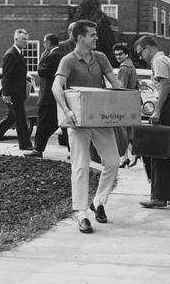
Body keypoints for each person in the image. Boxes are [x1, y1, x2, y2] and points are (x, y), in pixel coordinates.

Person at [52, 20, 123, 234]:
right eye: (92, 34)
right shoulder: (68, 60)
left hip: (100, 119)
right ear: (80, 37)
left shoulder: (100, 57)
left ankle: (99, 201)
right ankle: (81, 213)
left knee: (112, 161)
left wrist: (129, 97)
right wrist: (67, 111)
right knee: (81, 166)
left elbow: (115, 84)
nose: (96, 37)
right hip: (78, 122)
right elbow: (57, 87)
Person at [134, 36, 170, 209]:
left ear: (148, 48)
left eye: (141, 53)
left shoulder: (158, 61)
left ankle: (158, 196)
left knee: (158, 151)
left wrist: (157, 110)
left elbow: (164, 87)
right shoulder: (168, 60)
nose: (141, 57)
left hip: (169, 106)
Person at [0, 29, 33, 151]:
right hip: (12, 94)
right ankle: (25, 144)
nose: (25, 42)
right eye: (23, 39)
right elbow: (6, 76)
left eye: (26, 39)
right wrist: (6, 93)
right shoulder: (11, 54)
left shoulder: (19, 53)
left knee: (12, 117)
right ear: (16, 39)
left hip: (17, 93)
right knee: (20, 119)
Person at [24, 33, 63, 158]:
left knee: (42, 123)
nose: (43, 44)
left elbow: (41, 71)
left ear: (49, 43)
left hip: (47, 95)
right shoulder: (63, 55)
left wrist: (42, 58)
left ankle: (38, 149)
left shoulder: (49, 56)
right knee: (57, 122)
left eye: (45, 42)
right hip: (59, 95)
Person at [112, 43, 138, 168]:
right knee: (127, 131)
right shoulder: (131, 66)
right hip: (131, 101)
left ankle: (134, 153)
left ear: (126, 54)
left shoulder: (124, 68)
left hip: (124, 102)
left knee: (123, 132)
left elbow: (120, 87)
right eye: (116, 54)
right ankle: (126, 157)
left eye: (120, 54)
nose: (118, 56)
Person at [57, 21, 76, 150]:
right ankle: (71, 148)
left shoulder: (85, 46)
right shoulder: (62, 46)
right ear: (70, 32)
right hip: (65, 86)